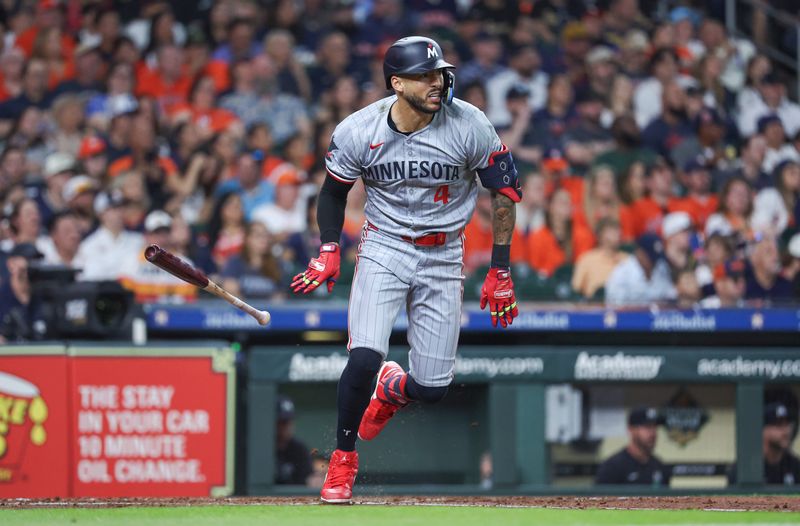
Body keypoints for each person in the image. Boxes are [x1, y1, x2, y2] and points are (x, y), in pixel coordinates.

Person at [291, 36, 521, 504]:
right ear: (397, 83)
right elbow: (333, 191)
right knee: (363, 355)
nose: (437, 83)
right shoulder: (360, 128)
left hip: (444, 253)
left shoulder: (469, 123)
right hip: (385, 246)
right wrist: (330, 247)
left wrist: (501, 269)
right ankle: (342, 461)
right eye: (424, 76)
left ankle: (396, 388)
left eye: (439, 74)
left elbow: (505, 191)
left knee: (432, 388)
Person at [595, 406, 671, 486]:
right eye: (647, 427)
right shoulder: (612, 468)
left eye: (655, 427)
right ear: (631, 429)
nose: (653, 433)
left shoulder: (661, 468)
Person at [728, 402, 800, 485]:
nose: (786, 431)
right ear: (762, 430)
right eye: (779, 425)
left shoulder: (795, 466)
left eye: (788, 424)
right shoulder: (745, 468)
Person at [605, 233, 677, 306]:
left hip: (659, 316)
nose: (655, 262)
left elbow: (670, 296)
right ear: (639, 253)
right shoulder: (622, 274)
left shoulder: (662, 267)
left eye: (656, 258)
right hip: (631, 316)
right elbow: (615, 307)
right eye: (651, 258)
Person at [275, 395, 313, 485]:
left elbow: (308, 479)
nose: (287, 426)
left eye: (289, 421)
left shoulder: (299, 449)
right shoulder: (264, 448)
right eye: (283, 422)